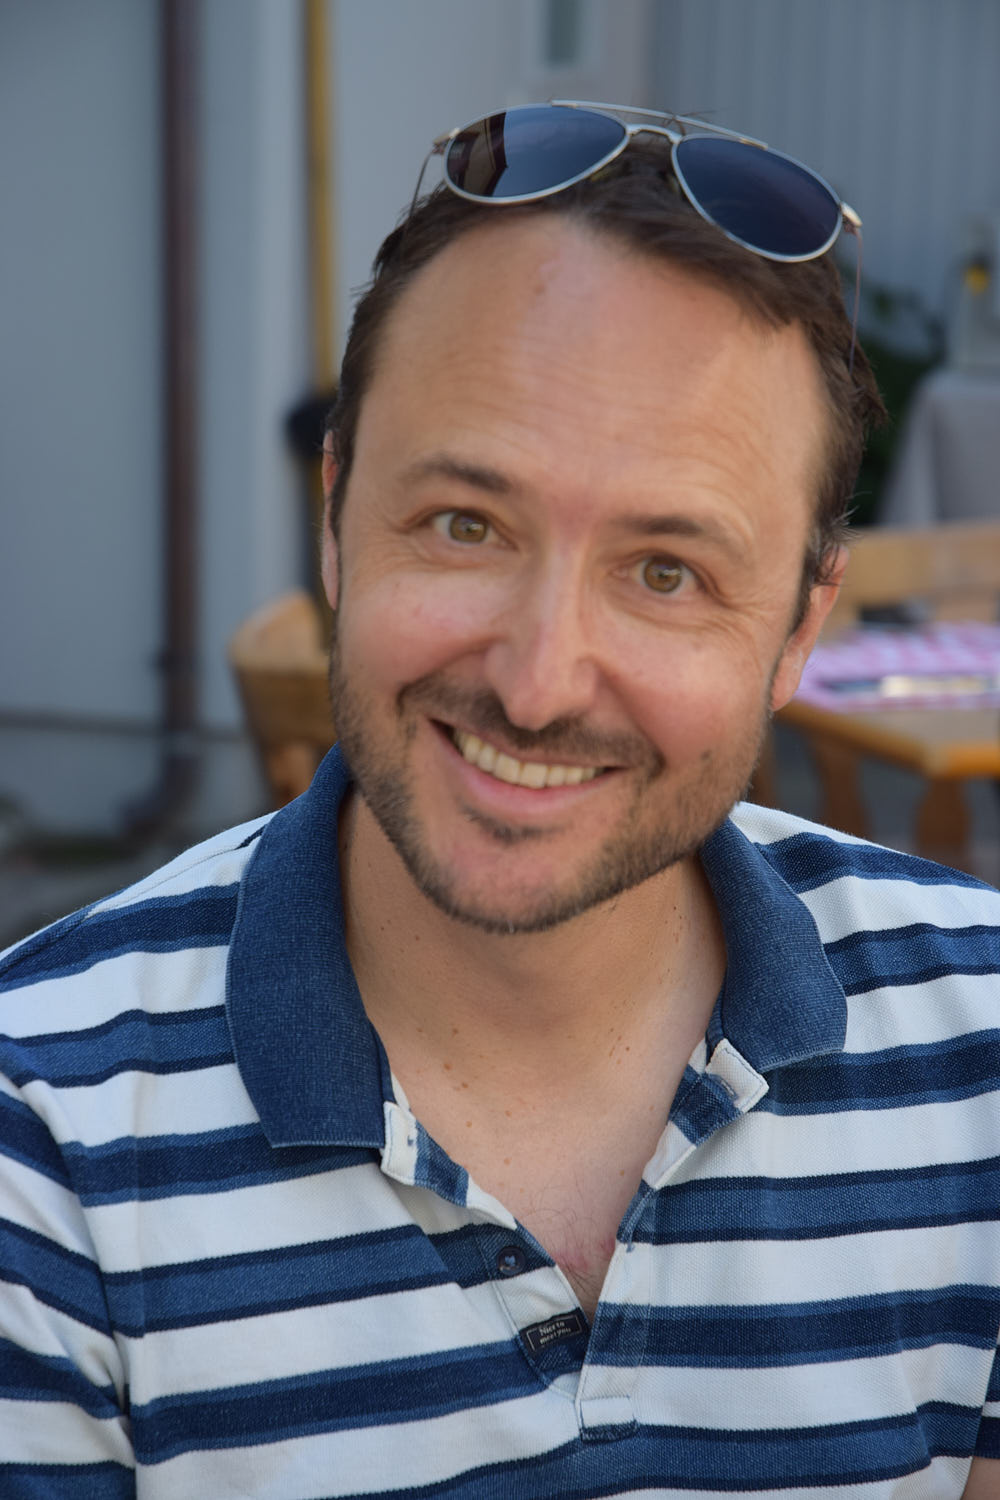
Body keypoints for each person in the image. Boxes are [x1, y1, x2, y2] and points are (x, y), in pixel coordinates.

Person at [2, 101, 1000, 1499]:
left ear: (799, 628)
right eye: (466, 525)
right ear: (337, 519)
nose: (537, 685)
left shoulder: (983, 1055)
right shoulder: (40, 1135)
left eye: (667, 572)